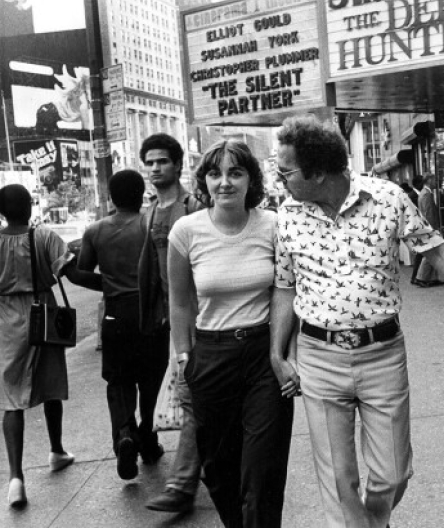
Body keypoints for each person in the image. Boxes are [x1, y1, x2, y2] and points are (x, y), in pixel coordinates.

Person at [271, 115, 444, 528]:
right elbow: (284, 286)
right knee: (338, 477)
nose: (280, 180)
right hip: (318, 356)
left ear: (317, 171)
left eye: (286, 171)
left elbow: (436, 251)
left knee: (393, 471)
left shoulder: (387, 198)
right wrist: (277, 353)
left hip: (381, 354)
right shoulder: (288, 214)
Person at [167, 140, 295, 528]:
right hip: (209, 356)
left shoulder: (274, 224)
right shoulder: (185, 231)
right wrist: (183, 360)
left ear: (250, 179)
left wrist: (285, 354)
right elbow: (179, 302)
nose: (224, 182)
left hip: (263, 358)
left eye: (235, 173)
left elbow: (286, 291)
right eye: (215, 173)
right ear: (204, 180)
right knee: (219, 472)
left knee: (261, 475)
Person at [0, 184, 97, 508]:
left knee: (11, 398)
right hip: (43, 314)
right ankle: (56, 450)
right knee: (50, 383)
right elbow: (75, 274)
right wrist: (112, 284)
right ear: (30, 206)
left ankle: (16, 477)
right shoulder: (44, 237)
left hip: (5, 321)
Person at [76, 170, 168, 480]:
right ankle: (148, 436)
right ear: (142, 193)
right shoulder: (149, 225)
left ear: (112, 197)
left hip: (115, 315)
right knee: (151, 378)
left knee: (119, 381)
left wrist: (106, 281)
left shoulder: (95, 231)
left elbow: (84, 274)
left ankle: (125, 431)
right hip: (149, 313)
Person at [138, 134, 204, 513]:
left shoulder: (191, 206)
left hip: (201, 314)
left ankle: (182, 483)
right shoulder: (150, 212)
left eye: (162, 161)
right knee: (194, 394)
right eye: (149, 162)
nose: (154, 168)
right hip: (172, 318)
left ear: (178, 166)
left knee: (191, 395)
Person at [414, 173, 444, 287]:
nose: (436, 182)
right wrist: (433, 229)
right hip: (430, 228)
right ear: (429, 180)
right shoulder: (426, 194)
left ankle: (432, 277)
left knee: (434, 252)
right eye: (434, 180)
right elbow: (428, 214)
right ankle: (421, 277)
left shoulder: (425, 193)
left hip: (428, 227)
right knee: (431, 253)